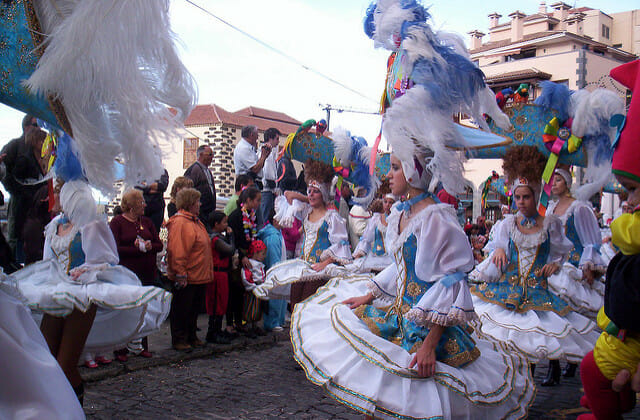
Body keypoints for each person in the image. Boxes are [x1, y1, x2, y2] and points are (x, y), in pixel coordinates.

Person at [289, 153, 535, 419]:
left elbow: (451, 281)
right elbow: (402, 266)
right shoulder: (403, 212)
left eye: (396, 168)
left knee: (415, 405)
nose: (388, 175)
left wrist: (430, 343)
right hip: (398, 318)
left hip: (427, 330)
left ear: (414, 172)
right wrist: (369, 295)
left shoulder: (436, 218)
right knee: (380, 402)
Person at [10, 180, 171, 405]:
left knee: (66, 363)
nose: (55, 198)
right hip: (57, 293)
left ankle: (75, 409)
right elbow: (49, 262)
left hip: (82, 296)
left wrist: (84, 270)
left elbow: (106, 259)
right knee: (46, 357)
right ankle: (54, 408)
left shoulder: (91, 224)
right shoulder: (56, 224)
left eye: (59, 193)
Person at [469, 146, 598, 387]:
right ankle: (516, 382)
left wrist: (555, 265)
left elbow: (562, 251)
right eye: (517, 197)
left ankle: (547, 371)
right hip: (508, 291)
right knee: (507, 339)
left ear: (536, 195)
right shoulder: (507, 224)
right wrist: (497, 249)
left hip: (537, 291)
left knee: (537, 339)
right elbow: (499, 249)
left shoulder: (551, 224)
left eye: (525, 197)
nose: (520, 202)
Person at [578, 59, 640, 420]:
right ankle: (610, 399)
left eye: (632, 191)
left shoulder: (580, 211)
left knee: (591, 367)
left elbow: (594, 241)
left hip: (629, 331)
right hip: (623, 321)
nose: (629, 201)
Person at [260, 160, 351, 306]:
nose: (311, 195)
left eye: (316, 192)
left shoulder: (332, 218)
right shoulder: (306, 213)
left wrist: (325, 263)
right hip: (303, 268)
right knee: (295, 304)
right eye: (309, 191)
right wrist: (302, 196)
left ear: (323, 194)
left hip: (319, 271)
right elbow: (290, 196)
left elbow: (341, 245)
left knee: (308, 307)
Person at [546, 167, 607, 377]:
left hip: (573, 265)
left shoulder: (579, 207)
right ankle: (553, 364)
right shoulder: (551, 208)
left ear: (567, 183)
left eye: (558, 180)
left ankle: (573, 357)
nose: (554, 184)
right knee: (550, 313)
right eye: (552, 180)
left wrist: (588, 266)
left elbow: (590, 240)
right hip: (554, 263)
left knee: (573, 314)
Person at [109, 189, 164, 359]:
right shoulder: (117, 223)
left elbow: (159, 245)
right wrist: (135, 248)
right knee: (125, 310)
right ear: (132, 206)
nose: (145, 205)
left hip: (146, 273)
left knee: (143, 309)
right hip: (127, 273)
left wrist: (148, 246)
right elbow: (114, 247)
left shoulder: (146, 222)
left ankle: (141, 345)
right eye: (141, 202)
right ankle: (121, 347)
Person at [166, 187, 214, 351]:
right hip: (188, 275)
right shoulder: (181, 223)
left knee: (193, 310)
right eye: (197, 202)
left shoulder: (195, 221)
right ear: (190, 203)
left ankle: (191, 336)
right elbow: (178, 251)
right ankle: (179, 339)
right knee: (182, 309)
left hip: (198, 275)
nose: (200, 204)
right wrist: (180, 273)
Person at [1, 117, 47, 262]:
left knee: (36, 242)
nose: (39, 128)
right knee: (17, 240)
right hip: (20, 203)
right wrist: (18, 191)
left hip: (39, 206)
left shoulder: (43, 148)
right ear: (26, 126)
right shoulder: (14, 146)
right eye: (35, 125)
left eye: (40, 125)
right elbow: (4, 173)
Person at [227, 186, 262, 334]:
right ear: (248, 200)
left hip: (249, 256)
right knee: (234, 290)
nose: (259, 203)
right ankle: (232, 322)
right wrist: (242, 257)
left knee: (245, 290)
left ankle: (244, 320)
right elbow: (233, 239)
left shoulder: (252, 215)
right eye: (257, 200)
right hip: (238, 257)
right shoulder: (236, 216)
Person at [205, 211, 235, 344]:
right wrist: (231, 237)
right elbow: (230, 250)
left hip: (222, 273)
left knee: (222, 302)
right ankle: (213, 332)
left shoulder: (217, 237)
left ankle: (217, 330)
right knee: (217, 302)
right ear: (216, 224)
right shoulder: (215, 239)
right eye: (224, 222)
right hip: (217, 274)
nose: (226, 225)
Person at [257, 210, 287, 332]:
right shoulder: (273, 237)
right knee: (275, 296)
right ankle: (272, 321)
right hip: (276, 272)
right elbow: (273, 258)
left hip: (280, 270)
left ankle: (279, 319)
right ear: (275, 220)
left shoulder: (277, 233)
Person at [350, 194, 395, 273]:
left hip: (391, 258)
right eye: (385, 202)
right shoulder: (376, 218)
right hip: (375, 257)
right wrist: (360, 252)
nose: (387, 205)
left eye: (391, 202)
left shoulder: (397, 220)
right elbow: (366, 238)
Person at [240, 239, 268, 338]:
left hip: (259, 289)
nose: (264, 256)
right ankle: (249, 327)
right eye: (262, 254)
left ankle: (255, 326)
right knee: (250, 308)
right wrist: (252, 286)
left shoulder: (259, 265)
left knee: (257, 309)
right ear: (255, 253)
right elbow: (246, 277)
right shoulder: (250, 265)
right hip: (252, 290)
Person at [184, 145, 216, 229]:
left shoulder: (207, 171)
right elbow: (187, 191)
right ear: (201, 155)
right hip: (200, 213)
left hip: (209, 213)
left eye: (213, 154)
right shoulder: (194, 170)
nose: (212, 157)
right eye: (209, 154)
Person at [259, 127, 281, 227]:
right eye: (276, 139)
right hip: (267, 190)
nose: (278, 141)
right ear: (270, 139)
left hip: (268, 189)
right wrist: (274, 187)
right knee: (265, 217)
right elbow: (268, 172)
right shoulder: (267, 151)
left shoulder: (269, 151)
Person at [137, 168, 169, 233]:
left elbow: (162, 186)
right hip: (142, 208)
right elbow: (137, 186)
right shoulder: (139, 171)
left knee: (155, 232)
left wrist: (146, 185)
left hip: (157, 208)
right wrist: (152, 188)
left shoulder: (162, 171)